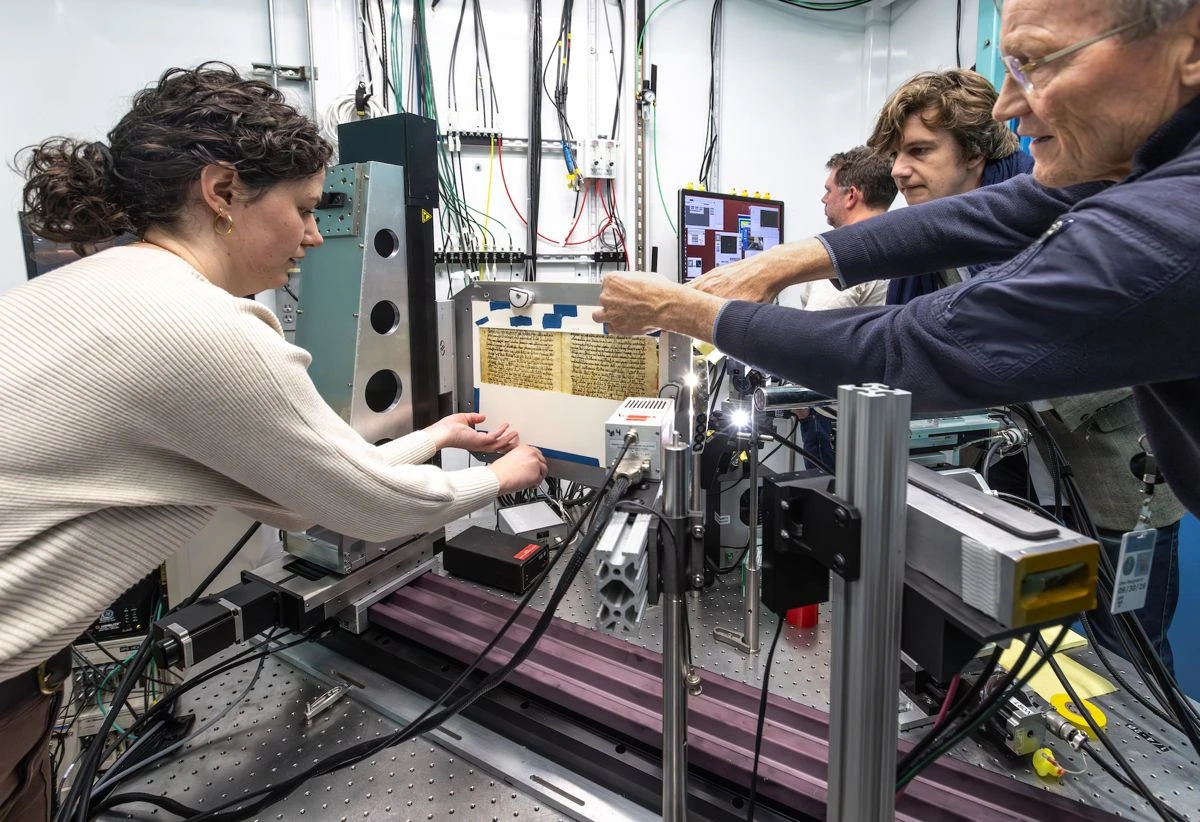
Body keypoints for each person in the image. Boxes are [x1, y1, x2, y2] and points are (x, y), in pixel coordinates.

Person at [0, 64, 547, 820]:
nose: (316, 236)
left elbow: (299, 482)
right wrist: (504, 477)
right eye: (305, 209)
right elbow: (365, 505)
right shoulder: (206, 330)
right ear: (223, 191)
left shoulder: (83, 287)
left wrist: (432, 435)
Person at [597, 0, 1200, 586]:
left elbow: (906, 348)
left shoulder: (1168, 223)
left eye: (1040, 62)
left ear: (1190, 46)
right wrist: (779, 264)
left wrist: (683, 309)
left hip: (1108, 492)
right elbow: (974, 219)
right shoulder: (1121, 172)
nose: (1010, 105)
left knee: (1118, 649)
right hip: (1021, 478)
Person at [867, 68, 1034, 303]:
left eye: (919, 150)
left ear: (974, 151)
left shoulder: (1039, 215)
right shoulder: (921, 236)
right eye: (894, 155)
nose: (897, 170)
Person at [806, 146, 895, 310]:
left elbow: (817, 324)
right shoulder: (896, 246)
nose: (823, 199)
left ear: (851, 196)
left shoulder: (842, 253)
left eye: (829, 191)